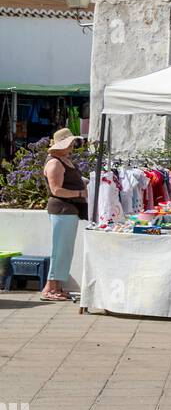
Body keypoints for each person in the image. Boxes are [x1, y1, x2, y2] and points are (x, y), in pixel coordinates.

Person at [42, 128, 87, 300]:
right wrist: (81, 194)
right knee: (59, 249)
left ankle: (57, 287)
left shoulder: (64, 160)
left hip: (69, 211)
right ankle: (49, 289)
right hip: (61, 210)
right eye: (70, 142)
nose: (73, 145)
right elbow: (56, 190)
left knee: (65, 250)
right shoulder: (54, 163)